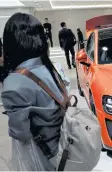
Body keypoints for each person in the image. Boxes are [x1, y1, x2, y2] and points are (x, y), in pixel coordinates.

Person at [1, 13, 66, 170]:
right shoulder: (53, 68)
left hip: (44, 156)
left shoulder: (14, 82)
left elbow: (21, 133)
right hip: (64, 144)